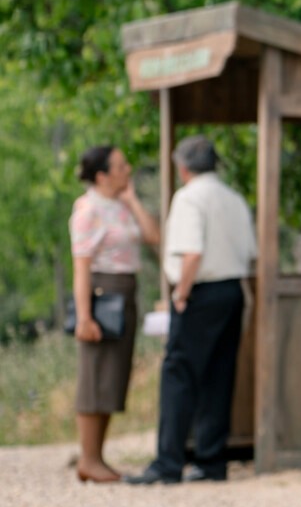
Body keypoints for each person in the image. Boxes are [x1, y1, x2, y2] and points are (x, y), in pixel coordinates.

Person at [125, 135, 257, 485]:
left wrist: (180, 294)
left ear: (182, 168)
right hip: (233, 290)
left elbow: (191, 253)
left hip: (200, 291)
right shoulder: (235, 199)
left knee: (179, 375)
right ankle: (212, 461)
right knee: (219, 374)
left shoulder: (188, 198)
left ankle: (168, 462)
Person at [68, 145, 161, 483]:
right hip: (102, 292)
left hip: (126, 291)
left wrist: (133, 200)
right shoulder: (88, 209)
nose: (128, 169)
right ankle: (88, 458)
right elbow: (81, 267)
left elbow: (153, 236)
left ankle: (97, 457)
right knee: (95, 373)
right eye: (121, 166)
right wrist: (84, 316)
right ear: (102, 175)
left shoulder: (120, 206)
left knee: (112, 374)